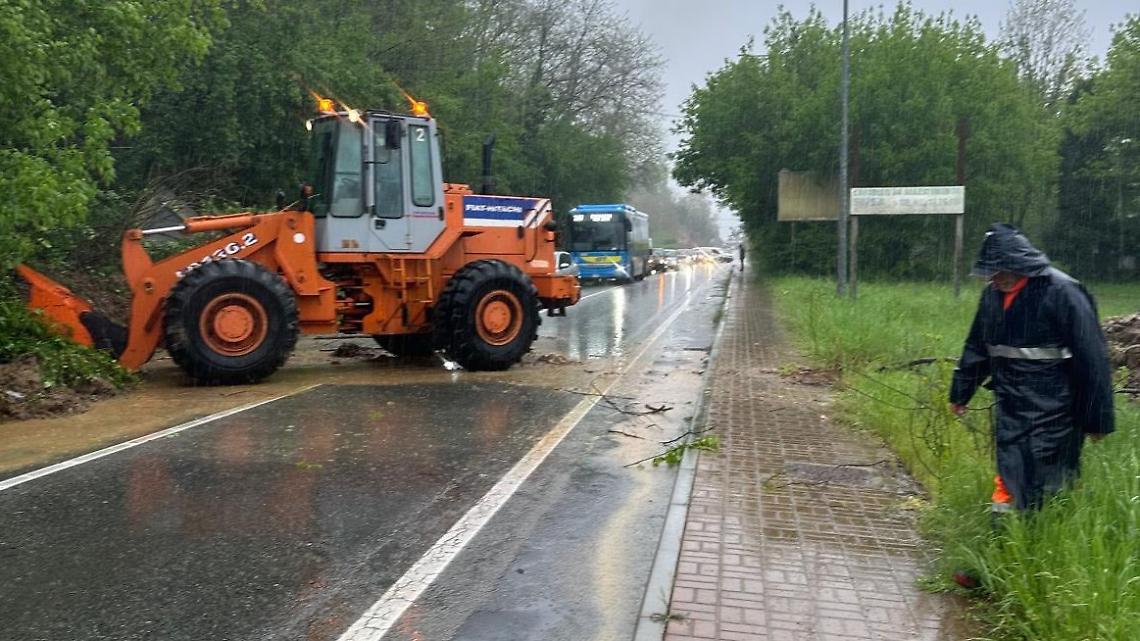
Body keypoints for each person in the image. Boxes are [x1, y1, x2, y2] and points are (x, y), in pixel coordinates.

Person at [950, 223, 1114, 516]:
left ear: (1021, 265)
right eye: (992, 272)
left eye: (1002, 271)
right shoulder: (992, 297)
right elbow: (978, 346)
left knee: (1047, 477)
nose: (996, 278)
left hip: (1056, 408)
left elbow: (1093, 361)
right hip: (1011, 405)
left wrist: (1097, 420)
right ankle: (1005, 539)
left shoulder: (1062, 292)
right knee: (1011, 469)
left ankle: (1041, 537)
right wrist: (961, 393)